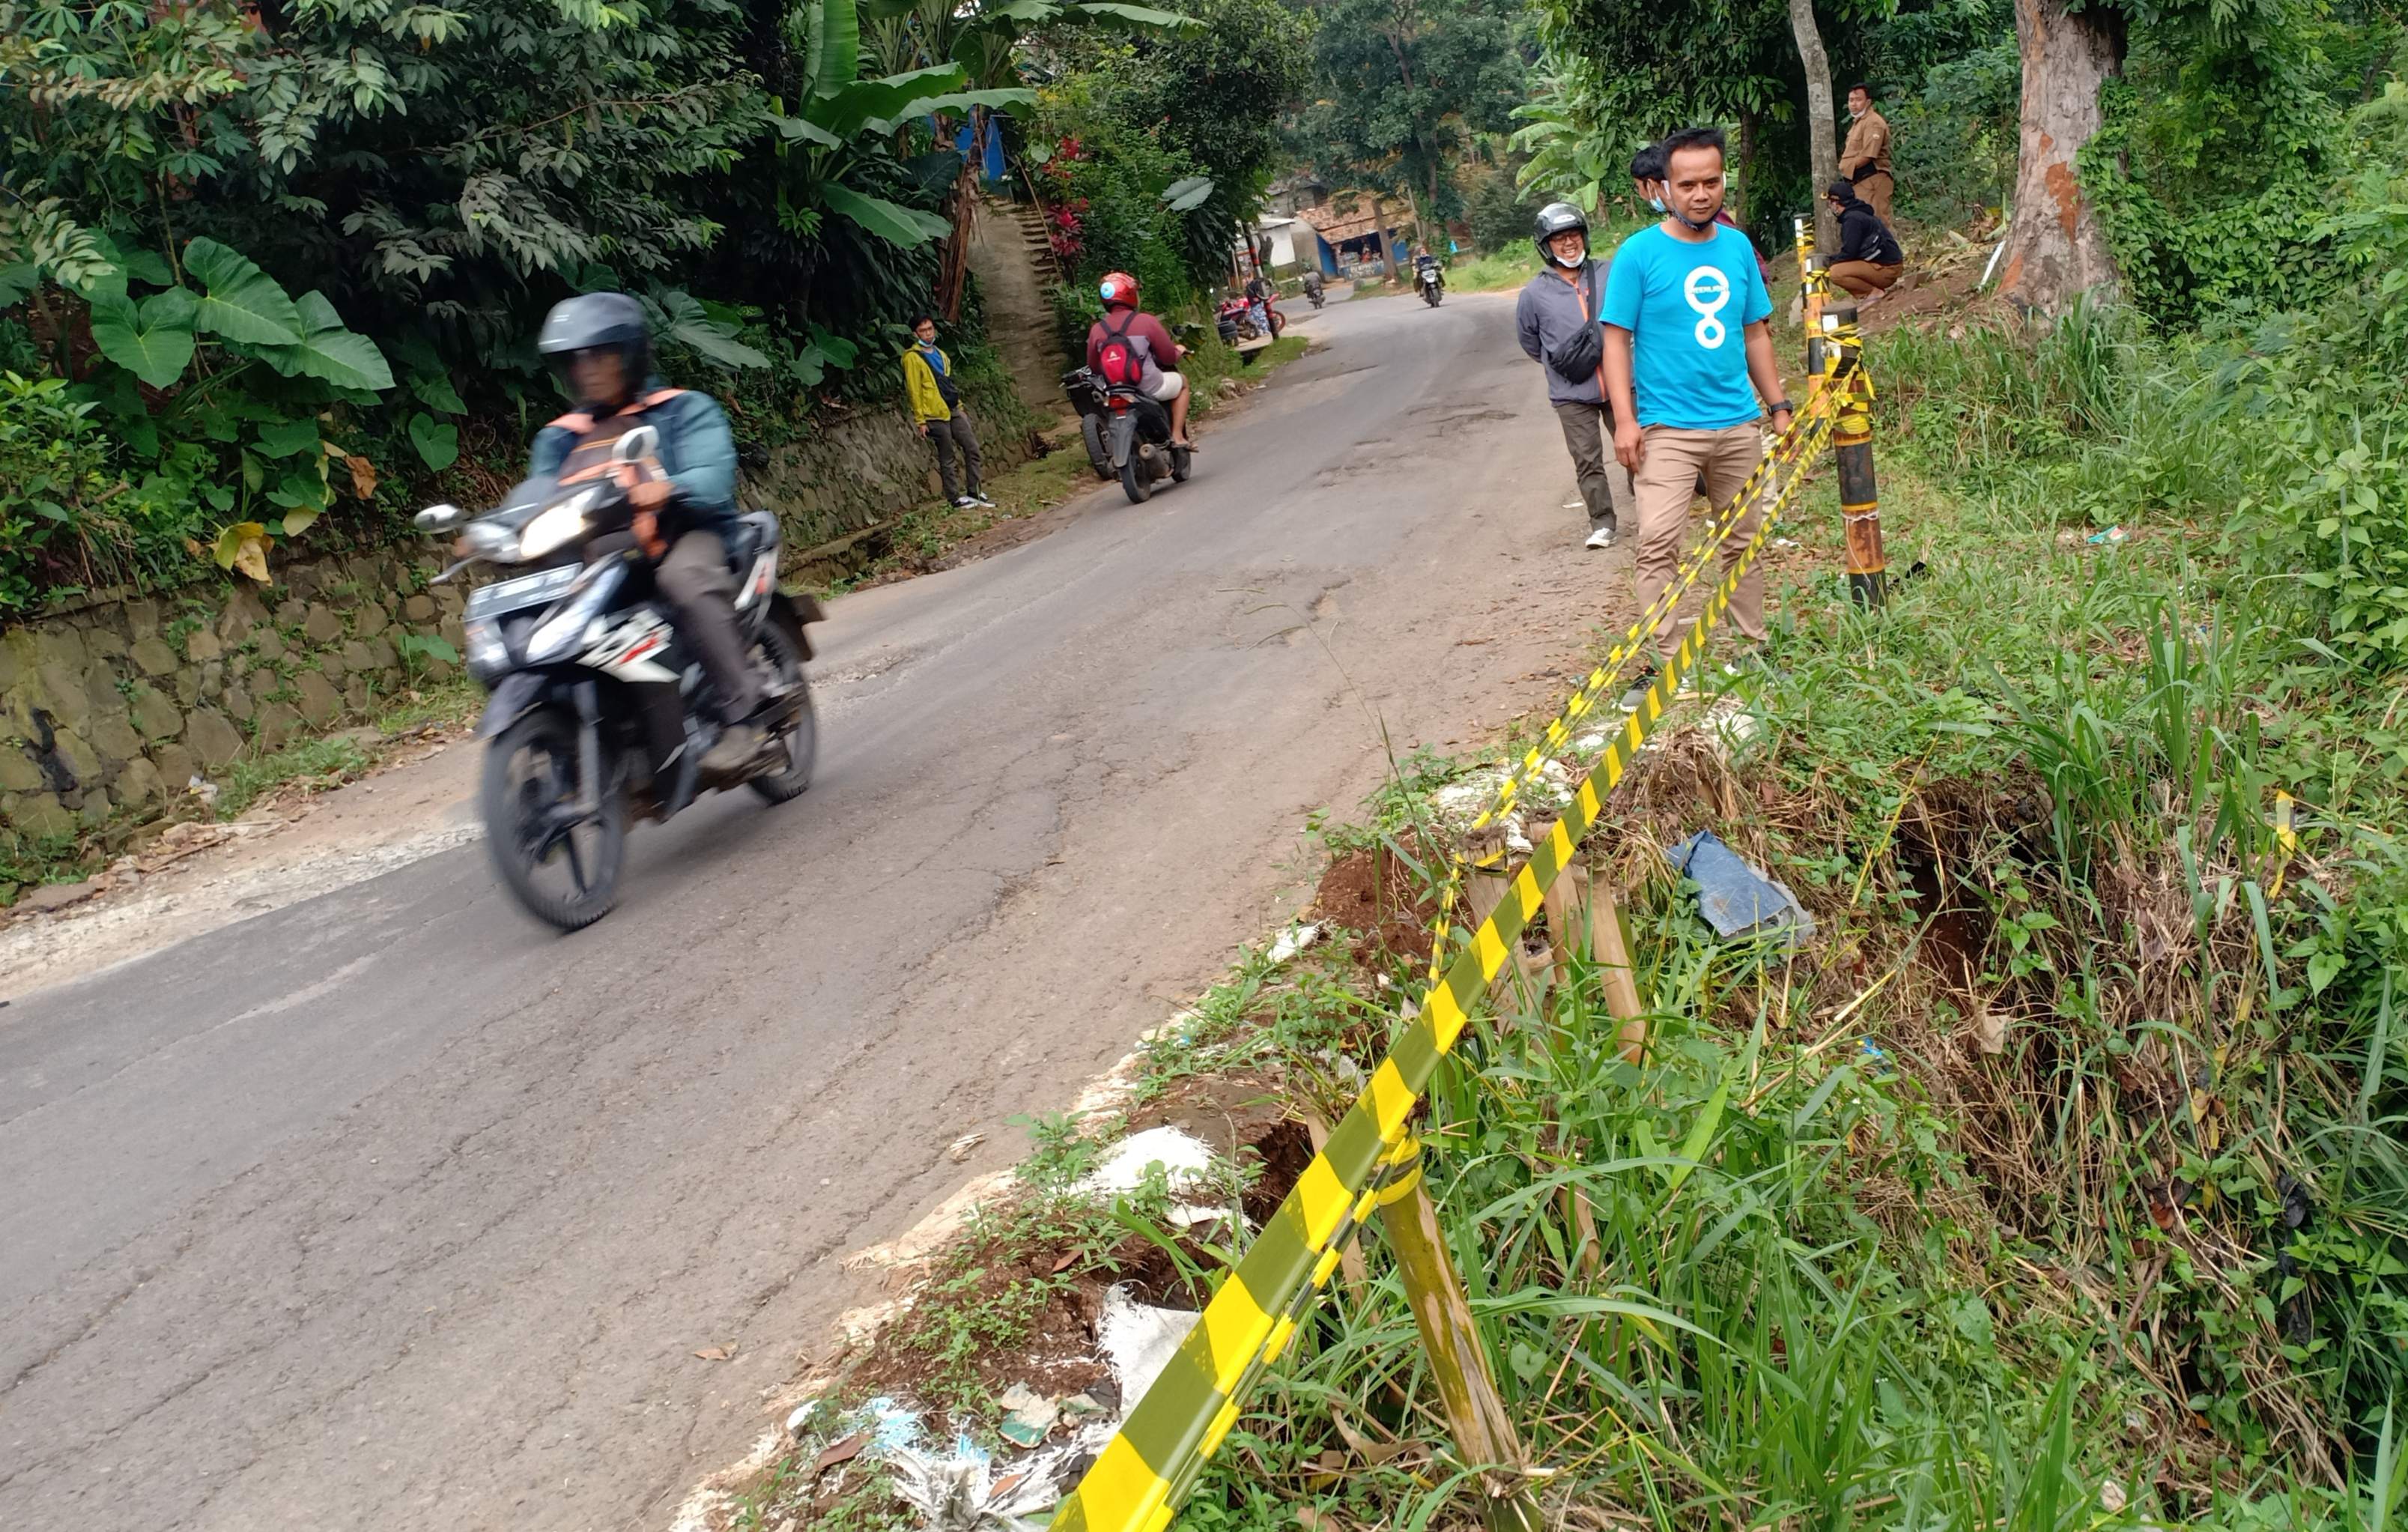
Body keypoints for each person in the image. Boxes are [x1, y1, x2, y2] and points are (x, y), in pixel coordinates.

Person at [530, 291, 765, 774]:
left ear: (630, 353)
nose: (587, 370)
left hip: (683, 534)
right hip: (603, 553)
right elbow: (536, 496)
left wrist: (667, 489)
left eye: (600, 355)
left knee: (683, 580)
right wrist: (489, 531)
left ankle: (745, 714)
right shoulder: (559, 437)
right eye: (575, 361)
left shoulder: (682, 410)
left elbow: (714, 476)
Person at [1601, 126, 1795, 709]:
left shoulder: (1736, 248)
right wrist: (1626, 422)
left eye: (1711, 181)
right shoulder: (1637, 255)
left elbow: (1755, 332)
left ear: (1722, 178)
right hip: (1666, 430)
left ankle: (1753, 650)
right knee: (1658, 543)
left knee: (1744, 541)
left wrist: (1778, 406)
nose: (1700, 194)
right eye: (1686, 185)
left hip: (1737, 424)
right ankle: (1670, 664)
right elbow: (1615, 342)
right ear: (1663, 187)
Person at [1516, 202, 1633, 550]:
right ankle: (1603, 523)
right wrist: (1565, 367)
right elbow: (1530, 342)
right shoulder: (1534, 294)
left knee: (1637, 447)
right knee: (1587, 460)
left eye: (1574, 235)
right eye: (1559, 239)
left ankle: (1651, 503)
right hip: (1571, 394)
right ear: (1546, 246)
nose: (1569, 244)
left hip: (1622, 383)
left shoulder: (1610, 273)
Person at [1086, 270, 1192, 448]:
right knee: (1183, 383)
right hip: (1149, 387)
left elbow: (1094, 367)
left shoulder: (1097, 329)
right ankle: (1177, 436)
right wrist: (1178, 351)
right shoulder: (1146, 321)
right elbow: (1167, 358)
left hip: (1115, 391)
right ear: (1130, 295)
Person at [902, 314, 993, 510]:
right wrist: (921, 420)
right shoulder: (912, 358)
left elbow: (948, 384)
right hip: (933, 413)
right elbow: (914, 390)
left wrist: (959, 406)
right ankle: (954, 499)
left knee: (972, 448)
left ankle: (974, 491)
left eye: (930, 329)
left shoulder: (941, 354)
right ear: (915, 333)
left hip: (952, 408)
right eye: (923, 331)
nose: (927, 334)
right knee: (947, 456)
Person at [1824, 178, 1905, 303]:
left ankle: (1873, 293)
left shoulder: (1853, 220)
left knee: (1836, 272)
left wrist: (1829, 262)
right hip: (1889, 266)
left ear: (1836, 202)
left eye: (1830, 202)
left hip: (1887, 270)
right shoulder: (1859, 213)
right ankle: (1871, 292)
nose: (1830, 206)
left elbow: (1849, 253)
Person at [1840, 82, 1895, 223]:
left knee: (1878, 225)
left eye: (1858, 100)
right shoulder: (1858, 123)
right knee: (1864, 226)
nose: (1854, 104)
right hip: (1860, 183)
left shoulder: (1873, 122)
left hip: (1873, 181)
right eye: (1851, 100)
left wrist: (1846, 168)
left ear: (1868, 102)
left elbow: (1868, 155)